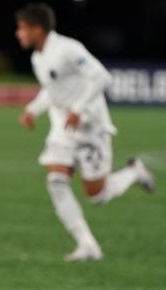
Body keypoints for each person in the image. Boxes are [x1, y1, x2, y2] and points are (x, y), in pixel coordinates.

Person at [15, 3, 155, 262]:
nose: (18, 34)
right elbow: (52, 89)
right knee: (56, 182)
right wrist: (33, 109)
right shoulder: (38, 58)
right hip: (63, 129)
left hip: (91, 127)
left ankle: (134, 172)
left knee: (97, 195)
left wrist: (79, 109)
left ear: (37, 29)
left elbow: (102, 77)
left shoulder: (68, 49)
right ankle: (87, 244)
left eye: (22, 28)